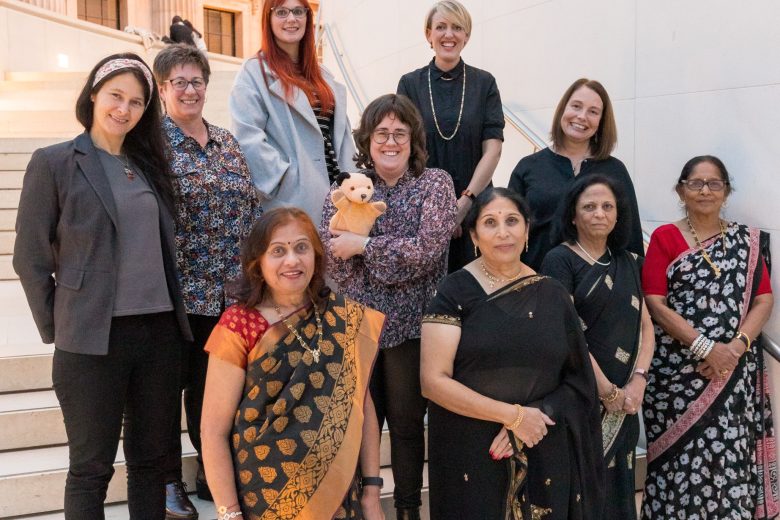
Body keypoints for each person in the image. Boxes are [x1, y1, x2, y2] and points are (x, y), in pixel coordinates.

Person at [13, 53, 192, 518]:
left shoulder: (150, 166)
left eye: (136, 101)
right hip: (92, 340)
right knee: (91, 468)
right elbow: (30, 259)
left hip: (157, 336)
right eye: (116, 95)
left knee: (152, 464)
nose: (124, 109)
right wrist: (63, 326)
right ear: (94, 94)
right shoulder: (54, 163)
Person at [420, 187, 605, 519]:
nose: (503, 232)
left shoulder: (554, 294)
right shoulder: (455, 291)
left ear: (527, 230)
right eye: (490, 222)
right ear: (474, 235)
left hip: (542, 440)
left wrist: (533, 416)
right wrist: (512, 417)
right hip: (474, 448)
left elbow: (578, 382)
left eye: (512, 221)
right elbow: (433, 381)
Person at [320, 93, 456, 520]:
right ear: (367, 139)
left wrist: (363, 246)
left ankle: (408, 509)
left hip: (414, 328)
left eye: (400, 133)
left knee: (406, 424)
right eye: (382, 133)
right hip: (357, 326)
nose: (391, 141)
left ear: (413, 139)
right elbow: (331, 258)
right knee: (355, 423)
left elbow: (428, 252)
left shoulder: (435, 183)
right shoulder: (345, 189)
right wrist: (381, 257)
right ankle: (360, 504)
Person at [200, 208, 385, 520]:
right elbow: (212, 431)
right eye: (278, 251)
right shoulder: (239, 324)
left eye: (301, 248)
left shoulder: (342, 318)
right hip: (263, 496)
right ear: (257, 263)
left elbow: (362, 408)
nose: (292, 261)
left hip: (338, 496)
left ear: (316, 256)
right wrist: (229, 513)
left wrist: (372, 493)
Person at [153, 43, 262, 518]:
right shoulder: (151, 143)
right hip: (177, 293)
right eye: (179, 82)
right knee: (166, 390)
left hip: (232, 294)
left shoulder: (226, 141)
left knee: (213, 389)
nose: (190, 90)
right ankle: (167, 480)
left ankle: (209, 469)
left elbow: (251, 208)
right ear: (161, 89)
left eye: (197, 81)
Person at [641, 156, 778, 518]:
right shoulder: (665, 237)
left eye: (714, 183)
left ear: (726, 191)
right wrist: (705, 347)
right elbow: (654, 302)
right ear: (681, 190)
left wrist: (733, 349)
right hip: (676, 377)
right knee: (677, 466)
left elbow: (764, 299)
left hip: (732, 374)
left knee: (728, 462)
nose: (705, 190)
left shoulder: (745, 241)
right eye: (696, 183)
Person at [540, 174, 654, 519]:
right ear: (573, 215)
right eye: (589, 206)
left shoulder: (628, 261)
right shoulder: (559, 260)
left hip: (627, 397)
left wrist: (639, 380)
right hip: (581, 396)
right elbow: (567, 333)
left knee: (619, 490)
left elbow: (646, 325)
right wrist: (605, 390)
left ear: (618, 215)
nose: (599, 213)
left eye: (607, 206)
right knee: (582, 492)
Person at [397, 0, 503, 272]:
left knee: (476, 289)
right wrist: (439, 211)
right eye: (441, 27)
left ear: (466, 36)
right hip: (423, 209)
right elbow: (402, 148)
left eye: (457, 27)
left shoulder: (485, 82)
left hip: (476, 202)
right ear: (428, 34)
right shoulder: (410, 84)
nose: (449, 35)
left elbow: (493, 149)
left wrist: (464, 203)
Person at [230, 0, 355, 224]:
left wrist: (353, 181)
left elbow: (342, 136)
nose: (291, 19)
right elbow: (247, 138)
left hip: (340, 197)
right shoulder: (254, 72)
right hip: (293, 202)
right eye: (282, 12)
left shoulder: (323, 75)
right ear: (268, 18)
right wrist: (285, 180)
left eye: (298, 11)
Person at [508, 78, 643, 270]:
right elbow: (511, 228)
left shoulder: (615, 170)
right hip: (536, 281)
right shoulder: (529, 166)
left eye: (593, 112)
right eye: (576, 106)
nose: (582, 116)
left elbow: (631, 236)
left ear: (601, 121)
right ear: (563, 109)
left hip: (600, 286)